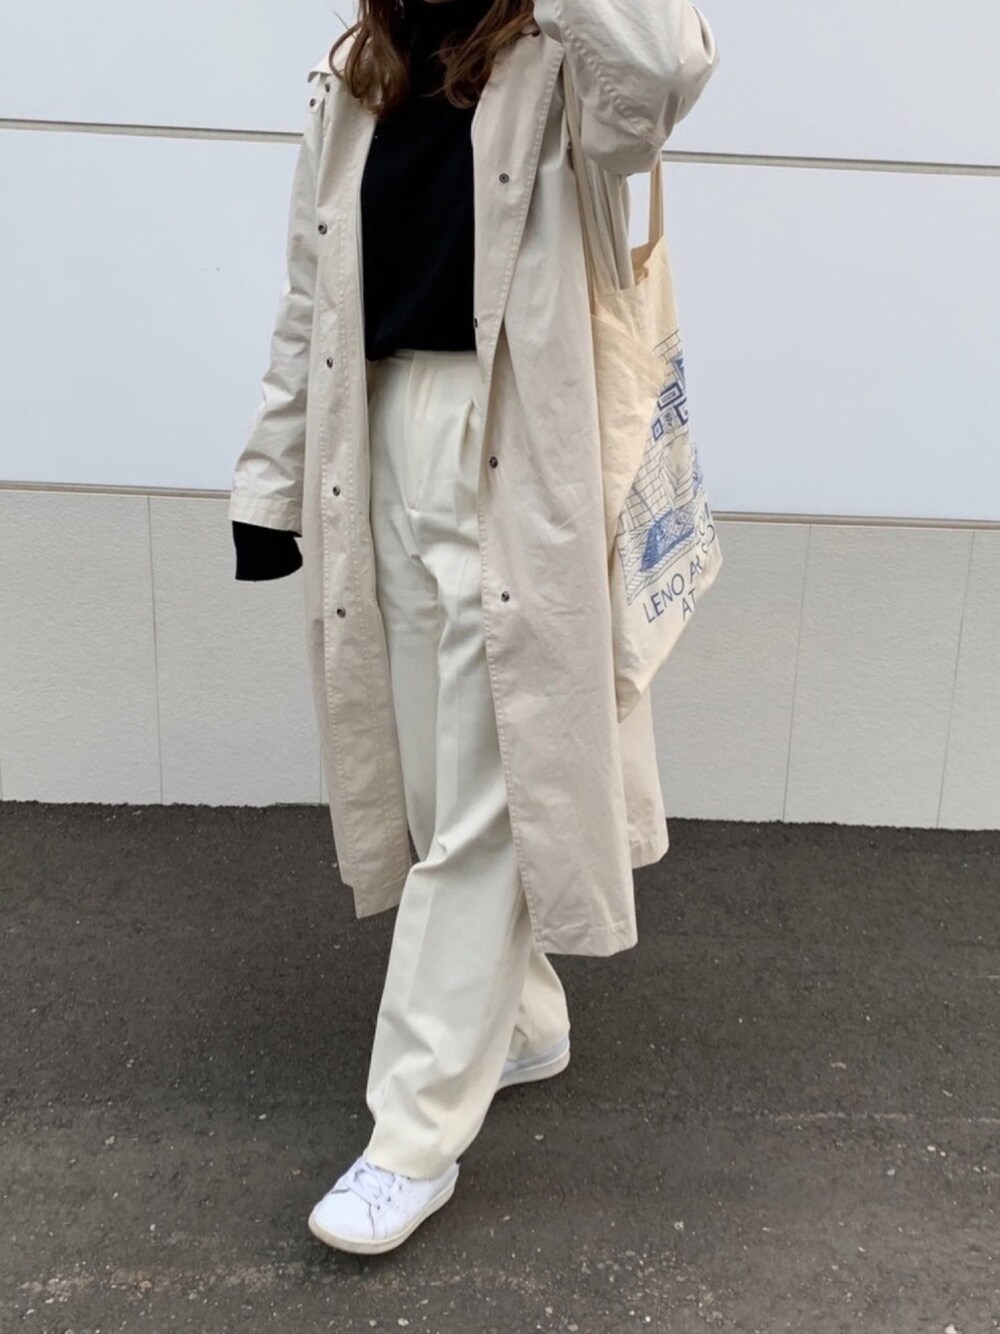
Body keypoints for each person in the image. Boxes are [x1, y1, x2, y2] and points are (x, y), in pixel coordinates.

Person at [228, 0, 718, 1255]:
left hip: (519, 448)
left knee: (492, 792)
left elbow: (667, 64)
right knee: (435, 786)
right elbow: (310, 296)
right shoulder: (356, 77)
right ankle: (526, 1021)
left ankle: (409, 1134)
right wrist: (270, 480)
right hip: (377, 447)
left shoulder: (571, 70)